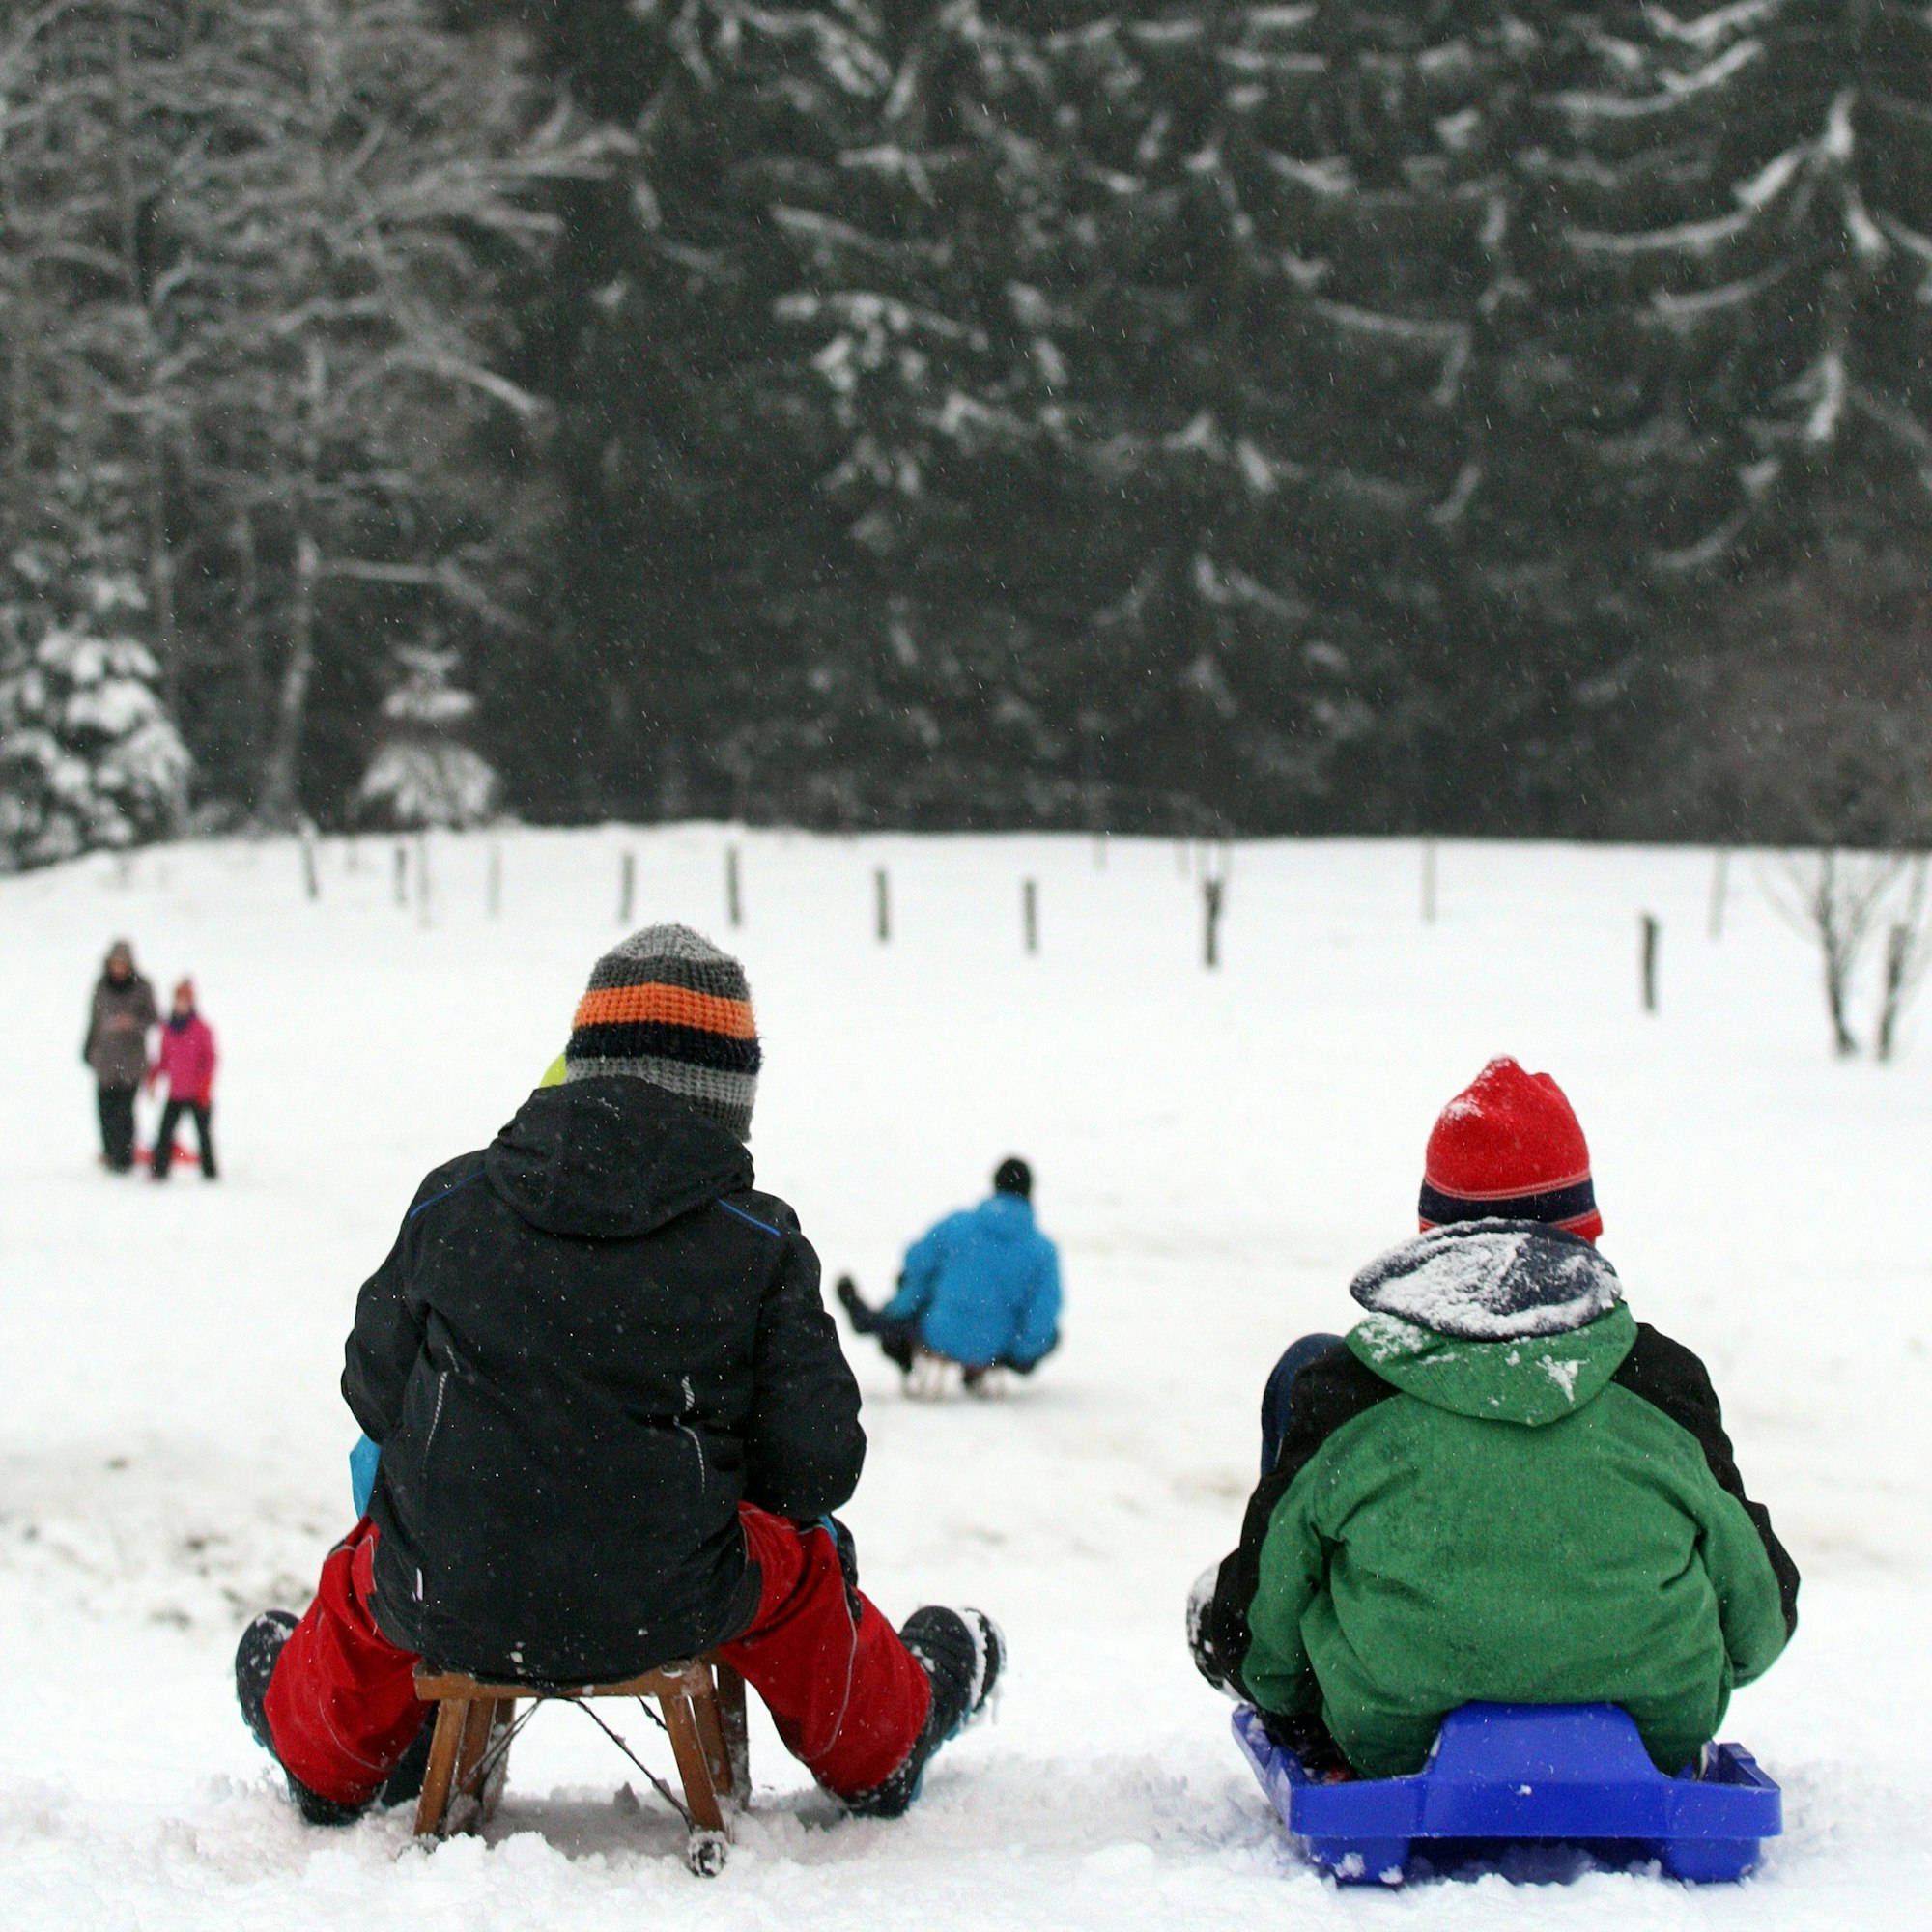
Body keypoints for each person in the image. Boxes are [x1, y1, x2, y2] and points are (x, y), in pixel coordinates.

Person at [233, 923, 1002, 1826]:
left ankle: (323, 1752)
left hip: (457, 1589)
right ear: (731, 1098)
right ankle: (884, 1739)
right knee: (796, 1569)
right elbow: (816, 1474)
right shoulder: (756, 1243)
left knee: (387, 1560)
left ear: (584, 1062)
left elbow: (371, 1394)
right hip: (672, 1600)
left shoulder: (455, 1200)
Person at [1190, 1056, 1799, 1782]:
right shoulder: (1662, 1383)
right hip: (1651, 1728)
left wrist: (1285, 1688)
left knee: (1302, 1376)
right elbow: (1762, 1623)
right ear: (1585, 1232)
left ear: (1431, 1235)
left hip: (1391, 1738)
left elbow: (1263, 1647)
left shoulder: (1350, 1390)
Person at [838, 1157, 1062, 1387]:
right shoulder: (1043, 1250)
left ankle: (879, 1323)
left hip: (940, 1334)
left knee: (921, 1284)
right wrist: (1019, 1353)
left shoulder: (958, 1224)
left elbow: (914, 1262)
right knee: (1051, 1333)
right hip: (998, 1345)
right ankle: (975, 1370)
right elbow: (1044, 1312)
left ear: (994, 1186)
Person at [83, 940, 158, 1173]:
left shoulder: (142, 986)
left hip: (131, 1061)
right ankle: (109, 1153)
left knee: (124, 1111)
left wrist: (132, 1023)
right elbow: (93, 1021)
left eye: (122, 963)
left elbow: (153, 1018)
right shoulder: (101, 986)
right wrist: (88, 1047)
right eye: (115, 963)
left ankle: (124, 1158)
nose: (118, 968)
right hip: (105, 1059)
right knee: (104, 1108)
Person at [147, 979, 218, 1180]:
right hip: (176, 1092)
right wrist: (153, 1078)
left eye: (185, 1000)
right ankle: (159, 1171)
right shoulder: (168, 1028)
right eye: (179, 1000)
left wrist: (205, 1086)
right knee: (165, 1133)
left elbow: (210, 1060)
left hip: (197, 1093)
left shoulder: (201, 1029)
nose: (181, 1004)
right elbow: (163, 1059)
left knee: (204, 1136)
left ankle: (210, 1172)